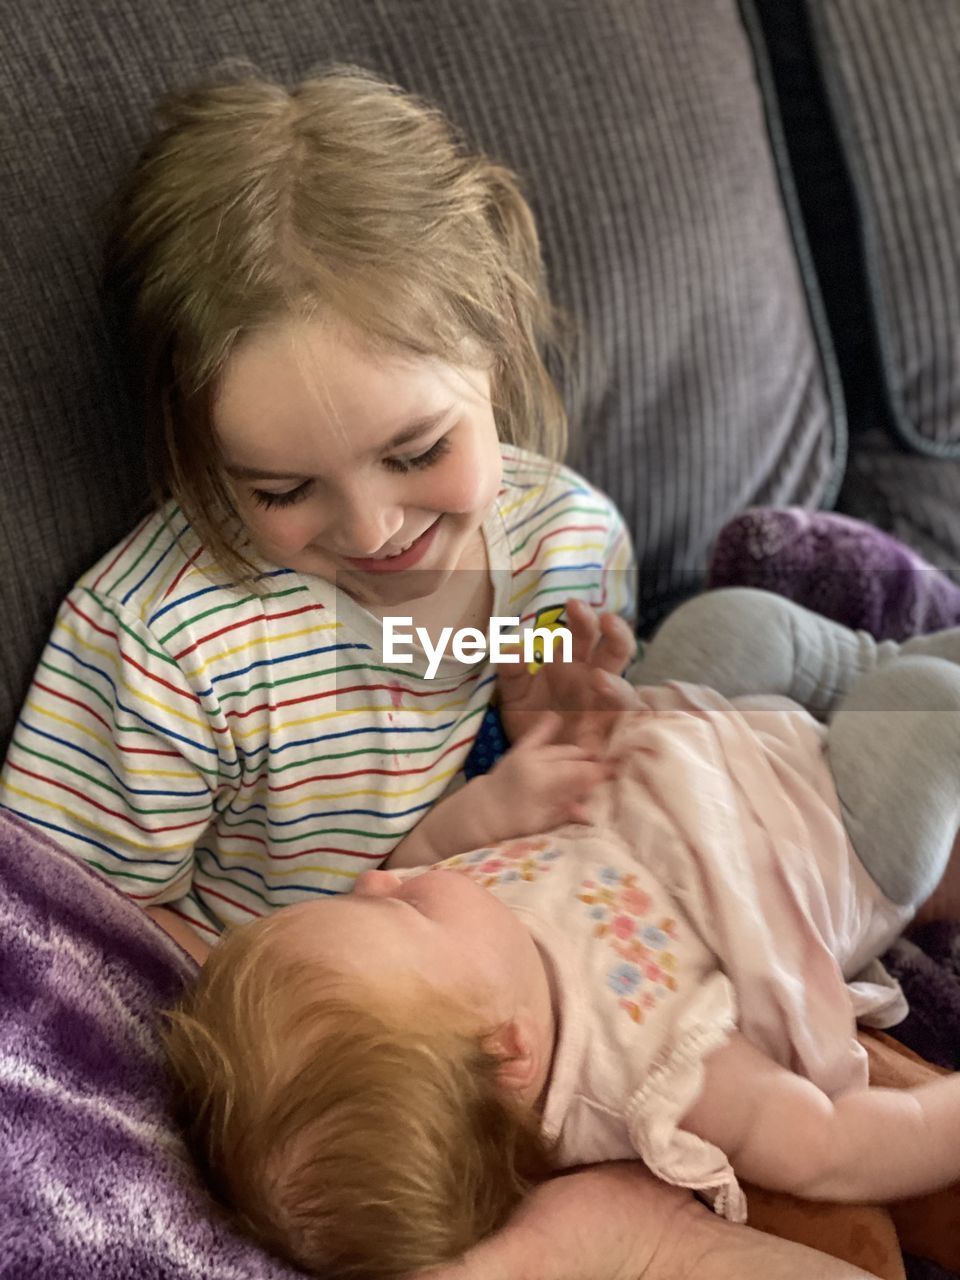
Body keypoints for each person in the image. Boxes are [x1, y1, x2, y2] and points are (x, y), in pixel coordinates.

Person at [0, 66, 636, 965]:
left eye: (417, 454)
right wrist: (427, 861)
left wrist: (521, 719)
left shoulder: (567, 542)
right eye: (283, 492)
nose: (373, 531)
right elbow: (68, 939)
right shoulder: (166, 654)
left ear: (495, 347)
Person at [165, 587, 960, 1280]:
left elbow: (423, 854)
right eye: (397, 911)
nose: (380, 879)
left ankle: (867, 665)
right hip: (832, 831)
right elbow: (829, 1149)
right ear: (511, 1052)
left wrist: (500, 795)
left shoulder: (453, 962)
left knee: (725, 625)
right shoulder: (652, 1072)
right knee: (926, 707)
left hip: (674, 746)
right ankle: (886, 672)